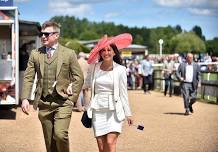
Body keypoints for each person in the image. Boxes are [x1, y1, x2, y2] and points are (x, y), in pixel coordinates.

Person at [21, 21, 84, 152]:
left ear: (56, 35)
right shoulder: (35, 54)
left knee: (60, 135)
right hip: (44, 103)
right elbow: (28, 77)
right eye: (41, 34)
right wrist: (25, 98)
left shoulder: (69, 53)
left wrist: (72, 100)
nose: (43, 36)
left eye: (47, 34)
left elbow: (79, 77)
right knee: (50, 144)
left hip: (63, 102)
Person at [69, 33, 133, 152]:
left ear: (114, 52)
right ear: (100, 52)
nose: (106, 52)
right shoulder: (94, 67)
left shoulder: (121, 70)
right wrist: (71, 86)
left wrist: (128, 113)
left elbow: (124, 93)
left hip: (114, 111)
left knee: (110, 142)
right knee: (101, 146)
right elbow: (86, 83)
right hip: (97, 110)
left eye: (109, 50)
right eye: (103, 50)